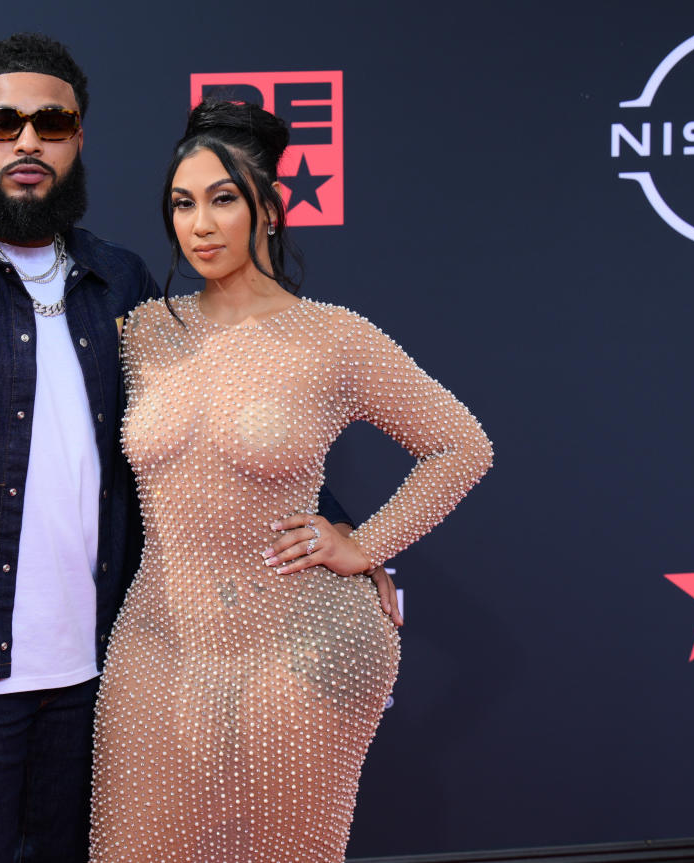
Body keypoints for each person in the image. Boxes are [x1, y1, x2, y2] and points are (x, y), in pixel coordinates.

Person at [0, 34, 398, 862]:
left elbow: (212, 438)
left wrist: (347, 540)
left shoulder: (121, 282)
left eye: (51, 122)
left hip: (104, 670)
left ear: (79, 140)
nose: (27, 141)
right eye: (1, 121)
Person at [89, 100, 493, 862]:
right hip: (156, 638)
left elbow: (461, 446)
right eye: (182, 204)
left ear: (268, 208)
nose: (200, 225)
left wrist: (363, 542)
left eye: (223, 199)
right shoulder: (143, 331)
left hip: (297, 642)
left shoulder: (332, 335)